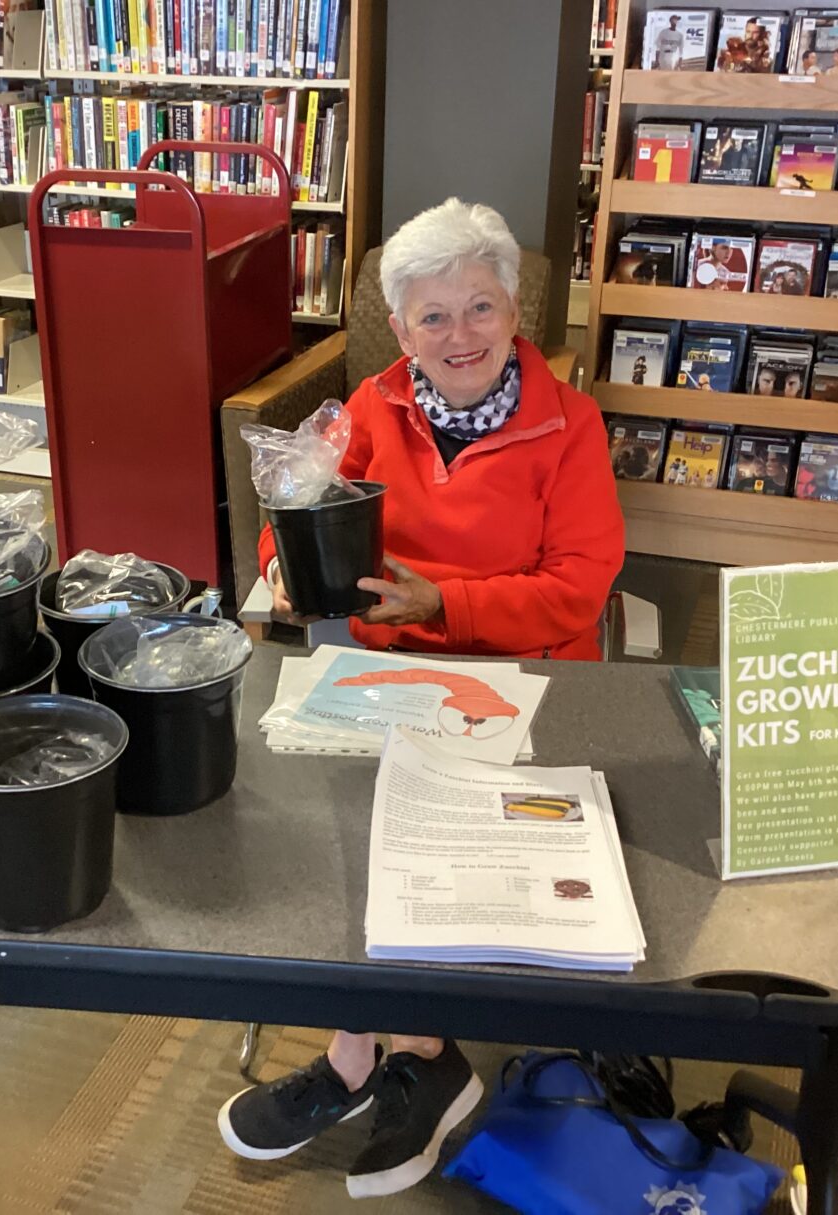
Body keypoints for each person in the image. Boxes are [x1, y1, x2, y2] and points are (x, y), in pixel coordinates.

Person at [227, 200, 626, 1198]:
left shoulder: (568, 425)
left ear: (514, 315)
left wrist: (440, 598)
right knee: (335, 845)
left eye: (480, 308)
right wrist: (282, 564)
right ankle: (401, 1052)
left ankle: (391, 1052)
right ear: (400, 331)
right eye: (432, 317)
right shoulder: (369, 406)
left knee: (431, 853)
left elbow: (581, 586)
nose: (460, 336)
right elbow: (302, 515)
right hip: (382, 673)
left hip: (523, 682)